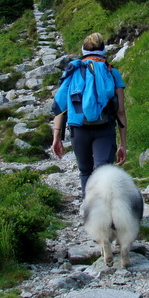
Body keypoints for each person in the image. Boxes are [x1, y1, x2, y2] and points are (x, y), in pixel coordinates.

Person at [52, 32, 127, 197]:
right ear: (103, 50)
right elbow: (120, 111)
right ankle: (107, 215)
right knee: (103, 171)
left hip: (78, 129)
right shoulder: (112, 72)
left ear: (83, 50)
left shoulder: (73, 71)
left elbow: (62, 106)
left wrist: (56, 136)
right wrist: (122, 144)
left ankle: (90, 213)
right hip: (104, 129)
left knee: (85, 171)